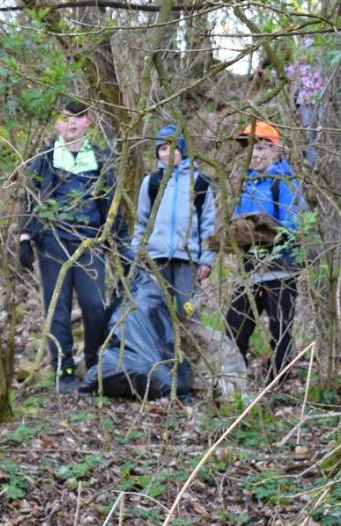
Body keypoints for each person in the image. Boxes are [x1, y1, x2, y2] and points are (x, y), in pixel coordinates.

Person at [18, 99, 125, 392]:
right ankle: (63, 371)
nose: (72, 123)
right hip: (52, 240)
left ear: (88, 121)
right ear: (57, 124)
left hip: (90, 241)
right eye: (66, 118)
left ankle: (93, 365)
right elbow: (30, 197)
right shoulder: (46, 158)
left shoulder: (101, 158)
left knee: (94, 304)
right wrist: (25, 236)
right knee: (58, 309)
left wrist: (120, 242)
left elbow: (112, 201)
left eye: (78, 117)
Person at [224, 121, 308, 384]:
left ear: (275, 150)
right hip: (251, 268)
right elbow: (237, 219)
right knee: (235, 324)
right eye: (251, 149)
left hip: (280, 267)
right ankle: (232, 380)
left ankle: (277, 383)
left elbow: (294, 223)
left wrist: (267, 230)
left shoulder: (284, 182)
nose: (255, 155)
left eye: (261, 148)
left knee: (280, 328)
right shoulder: (247, 184)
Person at [131, 123, 217, 312]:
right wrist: (136, 253)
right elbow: (142, 221)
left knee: (189, 312)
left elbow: (208, 224)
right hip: (155, 258)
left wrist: (206, 259)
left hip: (188, 259)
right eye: (162, 149)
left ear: (182, 149)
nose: (167, 153)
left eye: (172, 147)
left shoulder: (200, 182)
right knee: (156, 312)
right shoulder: (151, 183)